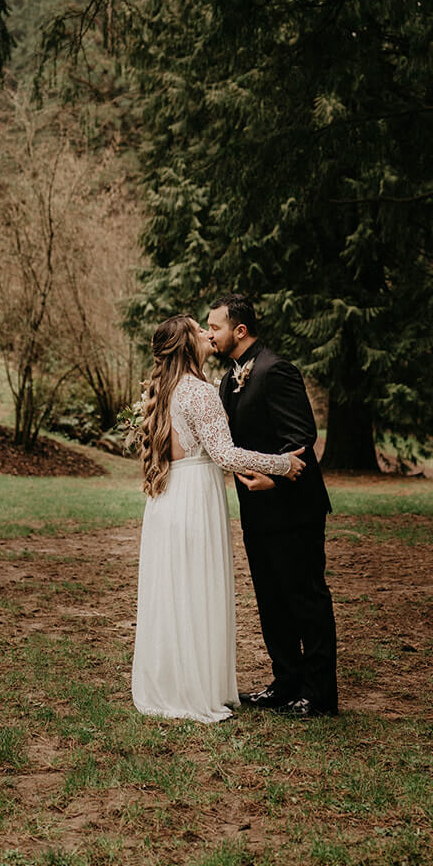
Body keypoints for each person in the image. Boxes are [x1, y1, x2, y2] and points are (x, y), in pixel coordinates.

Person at [129, 315, 304, 723]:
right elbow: (225, 455)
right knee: (196, 588)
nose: (209, 333)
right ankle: (194, 691)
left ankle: (173, 684)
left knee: (176, 593)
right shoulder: (199, 392)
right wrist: (281, 464)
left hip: (167, 499)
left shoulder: (164, 390)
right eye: (199, 329)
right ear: (189, 344)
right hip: (193, 500)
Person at [207, 294, 338, 719]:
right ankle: (286, 682)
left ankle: (319, 694)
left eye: (216, 328)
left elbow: (302, 437)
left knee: (305, 597)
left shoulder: (276, 370)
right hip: (256, 512)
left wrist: (274, 477)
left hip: (294, 507)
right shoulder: (229, 381)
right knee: (270, 598)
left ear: (239, 331)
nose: (211, 335)